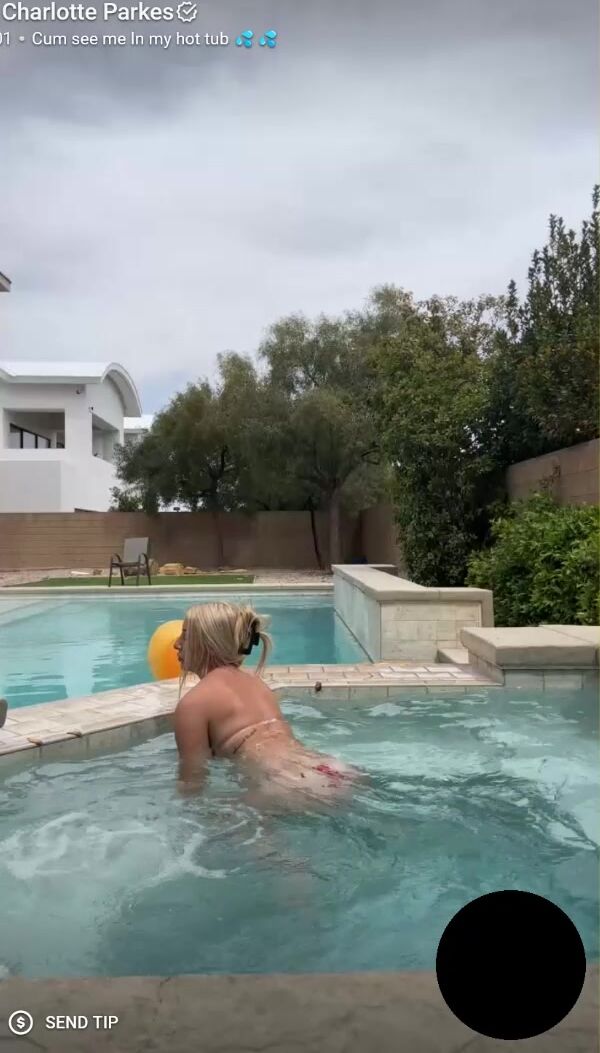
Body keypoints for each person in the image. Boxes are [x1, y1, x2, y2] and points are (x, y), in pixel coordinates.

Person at [173, 602, 359, 801]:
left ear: (207, 643)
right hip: (333, 769)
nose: (176, 643)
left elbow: (193, 782)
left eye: (185, 635)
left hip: (284, 783)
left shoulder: (193, 704)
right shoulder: (258, 685)